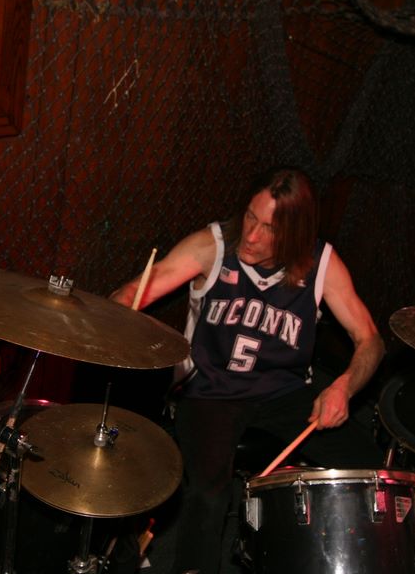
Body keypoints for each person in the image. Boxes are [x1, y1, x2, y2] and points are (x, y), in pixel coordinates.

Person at [111, 167, 385, 574]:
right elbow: (132, 295)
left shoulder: (321, 263)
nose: (252, 236)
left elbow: (370, 340)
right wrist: (116, 316)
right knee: (207, 495)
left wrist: (344, 386)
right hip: (210, 391)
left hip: (285, 393)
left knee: (371, 465)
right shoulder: (213, 245)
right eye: (250, 217)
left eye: (269, 228)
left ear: (296, 234)